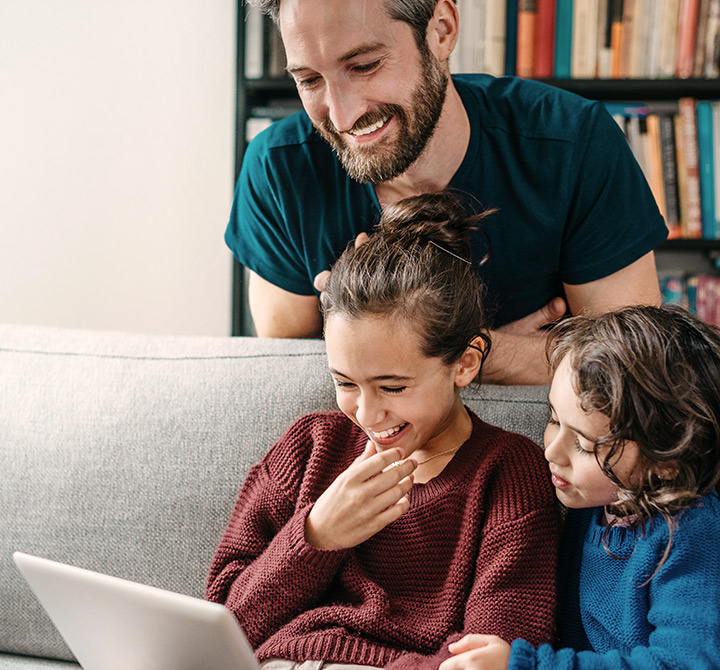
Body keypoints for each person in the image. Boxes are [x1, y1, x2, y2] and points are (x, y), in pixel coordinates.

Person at [226, 0, 668, 384]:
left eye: (364, 66)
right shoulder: (278, 167)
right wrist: (529, 355)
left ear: (441, 30)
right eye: (309, 80)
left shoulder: (572, 143)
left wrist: (401, 343)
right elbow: (288, 372)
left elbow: (634, 366)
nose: (341, 115)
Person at [206, 192, 561, 669]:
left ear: (465, 364)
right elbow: (219, 627)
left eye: (392, 387)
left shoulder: (507, 473)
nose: (368, 414)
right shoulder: (310, 447)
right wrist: (315, 536)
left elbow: (490, 657)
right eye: (345, 383)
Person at [439, 305, 720, 670]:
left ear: (665, 463)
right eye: (554, 419)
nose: (552, 451)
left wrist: (530, 666)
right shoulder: (591, 501)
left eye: (586, 445)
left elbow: (686, 663)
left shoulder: (692, 532)